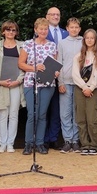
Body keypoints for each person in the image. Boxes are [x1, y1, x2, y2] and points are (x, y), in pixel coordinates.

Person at [18, 18, 60, 155]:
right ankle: (28, 143)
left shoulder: (52, 45)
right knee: (32, 114)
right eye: (41, 29)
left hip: (48, 83)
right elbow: (21, 64)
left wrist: (56, 71)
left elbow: (54, 63)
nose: (43, 31)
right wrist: (35, 67)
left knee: (42, 114)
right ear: (35, 30)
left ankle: (40, 143)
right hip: (31, 82)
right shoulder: (28, 44)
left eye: (45, 29)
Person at [0, 20, 25, 153]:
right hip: (1, 85)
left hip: (16, 84)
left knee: (13, 114)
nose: (10, 32)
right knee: (2, 114)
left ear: (16, 32)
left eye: (13, 30)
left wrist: (18, 81)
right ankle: (2, 144)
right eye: (8, 30)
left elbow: (24, 65)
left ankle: (10, 143)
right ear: (3, 32)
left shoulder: (22, 46)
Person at [72, 29, 97, 155]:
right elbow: (75, 74)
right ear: (84, 40)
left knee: (92, 117)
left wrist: (91, 87)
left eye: (92, 38)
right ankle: (84, 144)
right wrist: (84, 87)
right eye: (87, 38)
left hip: (93, 90)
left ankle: (94, 144)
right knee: (81, 118)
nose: (89, 40)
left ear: (95, 40)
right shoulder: (78, 56)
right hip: (80, 89)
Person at [57, 18, 83, 153]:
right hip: (66, 81)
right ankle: (67, 140)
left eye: (76, 27)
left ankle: (75, 140)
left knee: (77, 112)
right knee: (65, 113)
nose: (74, 29)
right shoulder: (62, 43)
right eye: (71, 27)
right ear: (67, 28)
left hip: (79, 82)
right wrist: (60, 82)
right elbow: (59, 63)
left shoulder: (84, 41)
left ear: (79, 29)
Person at [45, 7, 68, 150]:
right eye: (52, 14)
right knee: (45, 109)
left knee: (57, 110)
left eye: (58, 14)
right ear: (46, 17)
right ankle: (43, 139)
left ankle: (53, 138)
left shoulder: (66, 33)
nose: (55, 16)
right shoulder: (42, 32)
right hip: (47, 74)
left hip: (63, 75)